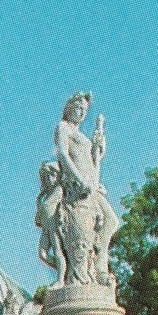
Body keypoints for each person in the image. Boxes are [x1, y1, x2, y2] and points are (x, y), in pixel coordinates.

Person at [52, 92, 121, 287]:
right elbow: (63, 155)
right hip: (78, 188)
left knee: (111, 221)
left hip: (91, 186)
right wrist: (79, 179)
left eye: (84, 110)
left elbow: (92, 163)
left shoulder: (83, 136)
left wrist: (99, 153)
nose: (81, 113)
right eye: (78, 108)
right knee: (81, 235)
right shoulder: (63, 128)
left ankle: (100, 268)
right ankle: (85, 275)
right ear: (69, 107)